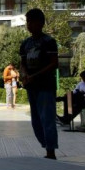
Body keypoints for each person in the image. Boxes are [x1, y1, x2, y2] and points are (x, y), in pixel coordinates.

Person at [19, 8, 59, 159]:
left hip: (45, 86)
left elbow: (54, 64)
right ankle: (46, 145)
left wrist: (35, 75)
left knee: (47, 119)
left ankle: (51, 151)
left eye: (32, 21)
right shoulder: (25, 44)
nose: (29, 24)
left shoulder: (49, 42)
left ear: (41, 23)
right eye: (27, 21)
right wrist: (24, 74)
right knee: (36, 122)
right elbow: (22, 63)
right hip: (31, 87)